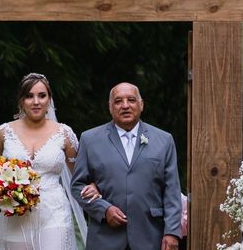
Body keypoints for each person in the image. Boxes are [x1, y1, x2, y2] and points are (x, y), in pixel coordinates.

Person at [0, 73, 96, 250]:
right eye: (29, 96)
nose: (36, 101)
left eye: (42, 95)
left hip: (54, 212)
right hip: (15, 212)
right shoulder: (4, 131)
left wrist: (92, 185)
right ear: (21, 101)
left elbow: (79, 173)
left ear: (49, 100)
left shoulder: (64, 133)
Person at [71, 82, 182, 250]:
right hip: (105, 237)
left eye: (131, 100)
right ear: (110, 106)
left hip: (151, 236)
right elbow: (77, 186)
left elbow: (171, 190)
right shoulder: (90, 139)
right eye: (118, 101)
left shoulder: (164, 140)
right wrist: (104, 209)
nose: (125, 106)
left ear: (141, 104)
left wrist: (172, 232)